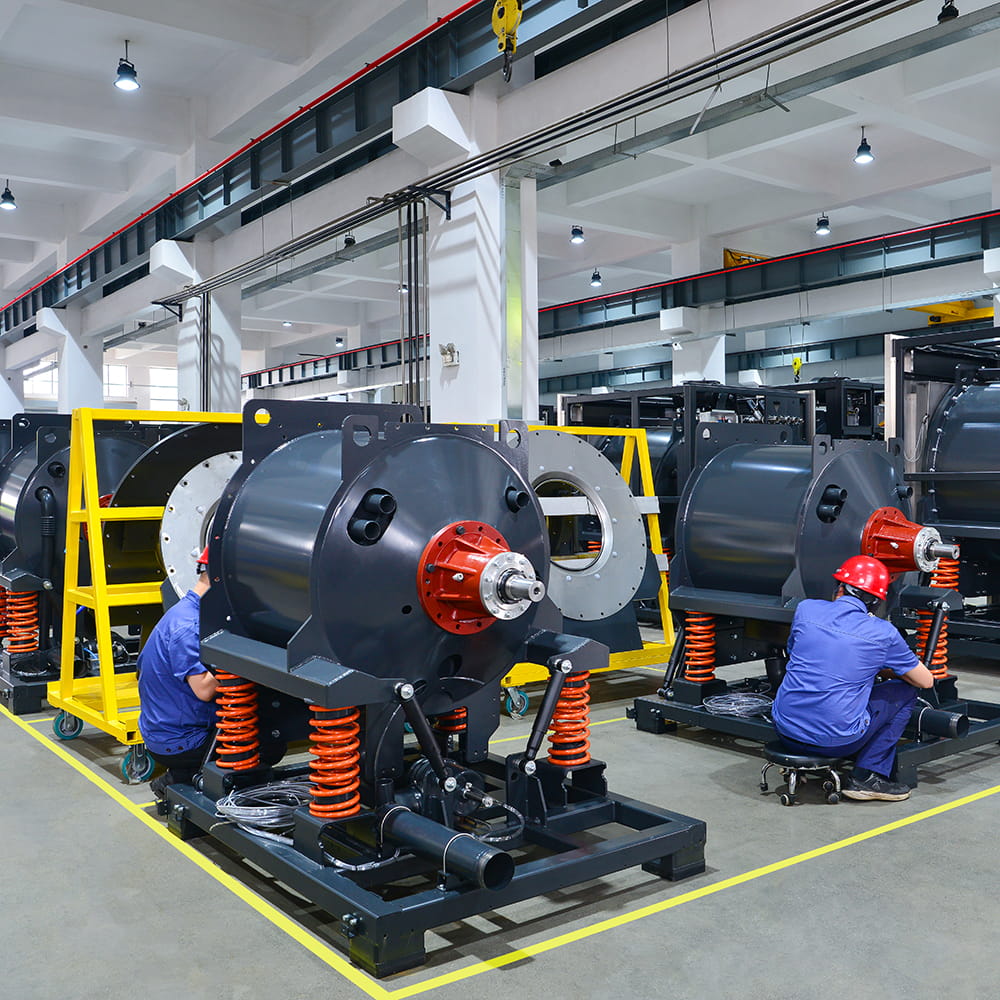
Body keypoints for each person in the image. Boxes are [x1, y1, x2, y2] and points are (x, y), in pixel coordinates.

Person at [771, 555, 934, 802]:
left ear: (839, 588)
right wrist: (880, 668)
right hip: (835, 742)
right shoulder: (883, 633)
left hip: (784, 729)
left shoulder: (806, 609)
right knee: (905, 692)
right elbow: (926, 681)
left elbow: (796, 652)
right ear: (876, 602)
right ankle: (866, 776)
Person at [138, 545, 217, 798]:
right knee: (266, 741)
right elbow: (204, 689)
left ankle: (185, 774)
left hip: (165, 729)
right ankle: (182, 777)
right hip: (180, 741)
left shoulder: (184, 611)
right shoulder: (189, 626)